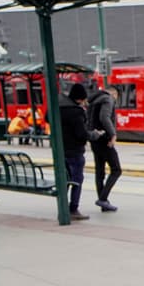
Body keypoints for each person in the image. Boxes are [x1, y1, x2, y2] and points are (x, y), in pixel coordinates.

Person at [59, 84, 96, 220]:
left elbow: (47, 118)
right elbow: (81, 134)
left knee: (65, 179)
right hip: (74, 151)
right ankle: (73, 209)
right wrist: (94, 135)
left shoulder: (59, 107)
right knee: (77, 180)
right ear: (80, 99)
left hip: (61, 150)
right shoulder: (76, 112)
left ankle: (62, 207)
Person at [87, 84, 122, 212]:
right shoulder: (108, 99)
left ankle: (103, 203)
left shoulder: (93, 101)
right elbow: (104, 117)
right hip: (104, 140)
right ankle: (102, 199)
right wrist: (113, 134)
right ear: (114, 93)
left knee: (100, 172)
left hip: (94, 139)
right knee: (116, 170)